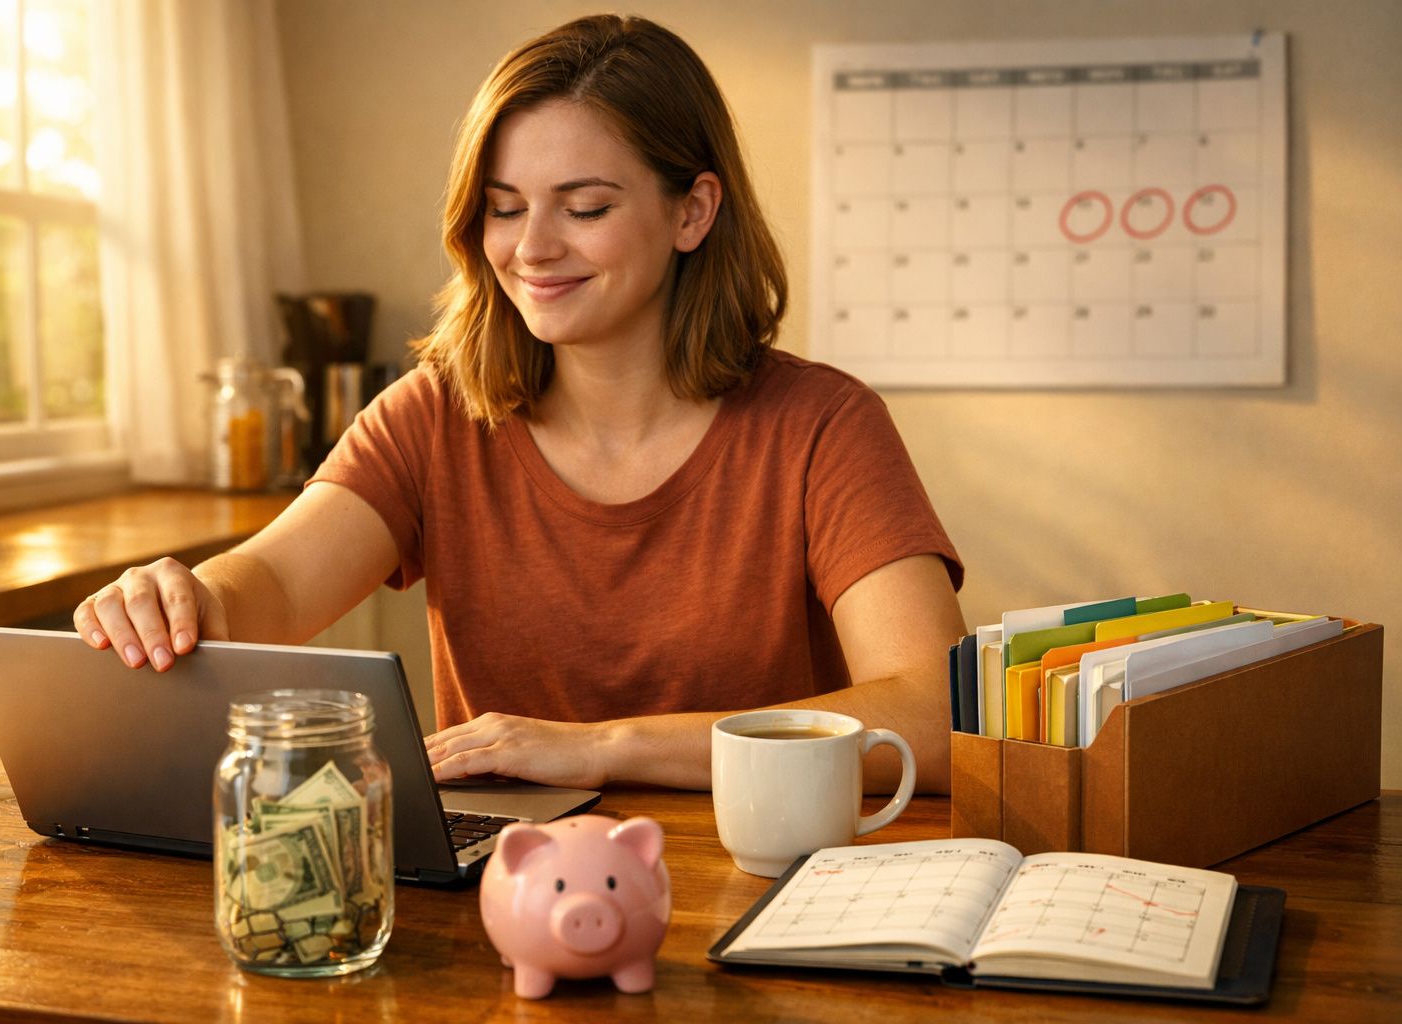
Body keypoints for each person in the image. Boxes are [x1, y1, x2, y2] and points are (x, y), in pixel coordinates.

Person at [74, 14, 966, 794]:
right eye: (504, 209)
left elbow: (932, 716)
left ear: (693, 212)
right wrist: (186, 598)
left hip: (759, 888)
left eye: (584, 207)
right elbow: (270, 582)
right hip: (507, 899)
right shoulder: (433, 416)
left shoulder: (823, 427)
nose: (532, 248)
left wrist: (604, 749)